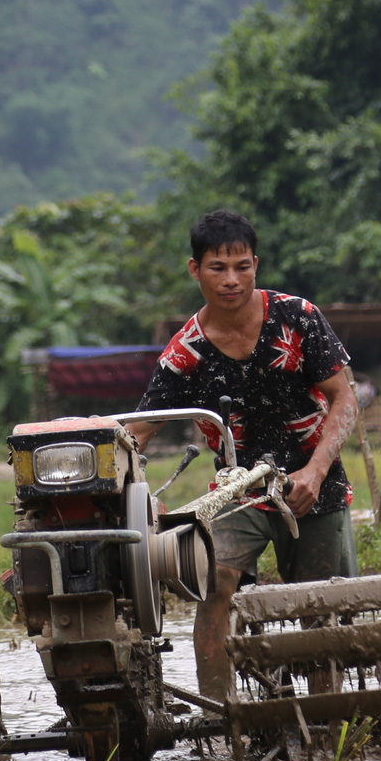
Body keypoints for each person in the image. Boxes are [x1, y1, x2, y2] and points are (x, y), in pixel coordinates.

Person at [129, 210, 360, 701]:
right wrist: (139, 499)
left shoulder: (297, 318)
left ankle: (328, 715)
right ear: (195, 270)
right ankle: (220, 713)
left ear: (256, 264)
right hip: (238, 494)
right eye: (218, 268)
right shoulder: (184, 351)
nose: (231, 280)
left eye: (242, 266)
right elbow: (139, 434)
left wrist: (316, 472)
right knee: (215, 582)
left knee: (322, 605)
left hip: (313, 485)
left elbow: (345, 397)